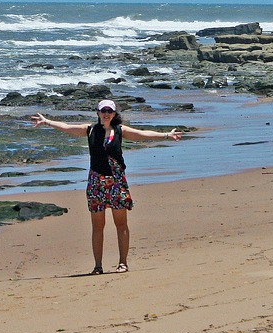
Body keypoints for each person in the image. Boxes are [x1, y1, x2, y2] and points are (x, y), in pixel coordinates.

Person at [31, 99, 181, 274]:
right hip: (96, 182)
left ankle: (122, 263)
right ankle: (98, 266)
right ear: (98, 113)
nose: (106, 113)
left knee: (121, 224)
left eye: (110, 111)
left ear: (115, 114)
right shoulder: (90, 130)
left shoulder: (120, 130)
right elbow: (66, 127)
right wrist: (47, 121)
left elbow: (142, 134)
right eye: (103, 111)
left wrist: (166, 135)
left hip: (117, 181)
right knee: (97, 226)